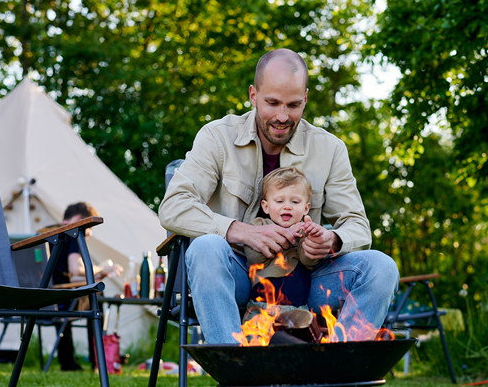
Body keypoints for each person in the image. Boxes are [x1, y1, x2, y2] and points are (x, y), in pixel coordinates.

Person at [158, 48, 399, 344]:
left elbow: (358, 226)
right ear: (253, 95)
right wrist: (241, 232)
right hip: (236, 276)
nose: (282, 116)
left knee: (381, 267)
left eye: (294, 105)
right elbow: (173, 207)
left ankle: (336, 370)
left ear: (306, 99)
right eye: (272, 103)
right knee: (205, 248)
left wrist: (331, 241)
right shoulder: (216, 137)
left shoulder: (330, 148)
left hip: (304, 280)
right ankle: (237, 373)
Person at [243, 166, 326, 322]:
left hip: (298, 311)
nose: (287, 206)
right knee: (252, 344)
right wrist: (287, 235)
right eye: (280, 201)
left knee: (296, 344)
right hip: (261, 309)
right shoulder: (258, 226)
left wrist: (312, 239)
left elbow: (309, 261)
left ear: (306, 208)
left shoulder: (304, 231)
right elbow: (255, 257)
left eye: (295, 201)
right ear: (265, 206)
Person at [52, 202, 123, 371]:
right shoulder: (73, 232)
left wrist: (96, 274)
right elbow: (75, 268)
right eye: (89, 230)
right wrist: (104, 268)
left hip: (39, 298)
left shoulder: (43, 232)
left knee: (74, 299)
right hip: (62, 299)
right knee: (95, 299)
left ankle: (67, 361)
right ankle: (97, 361)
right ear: (78, 220)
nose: (88, 235)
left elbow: (67, 273)